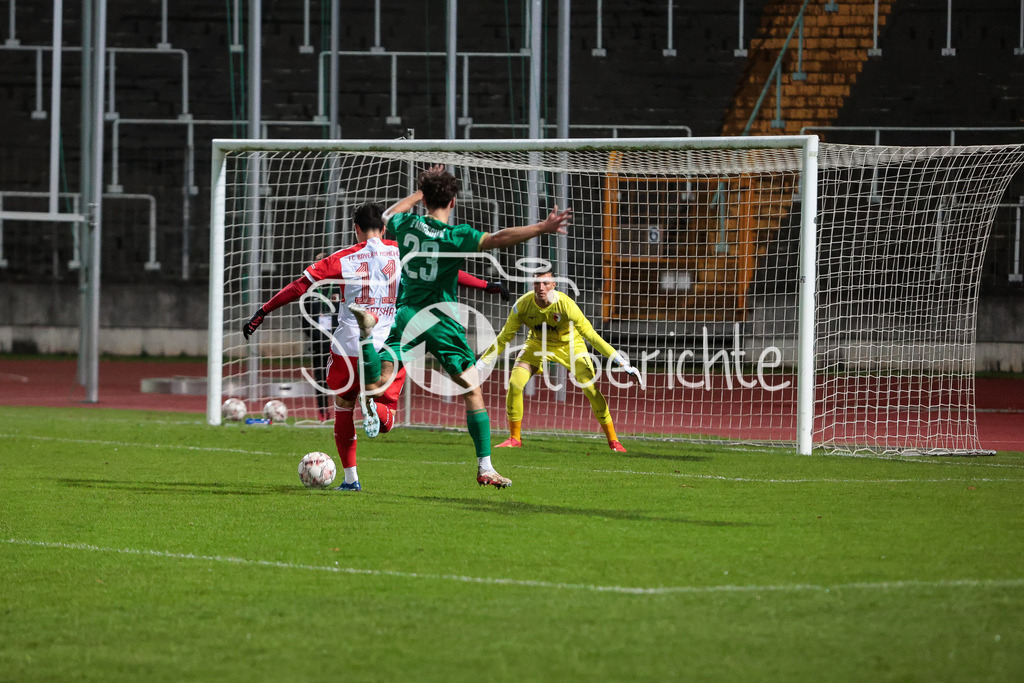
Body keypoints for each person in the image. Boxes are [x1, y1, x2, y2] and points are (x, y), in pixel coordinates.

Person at [241, 202, 511, 492]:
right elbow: (441, 273)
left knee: (343, 409)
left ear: (355, 228)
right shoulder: (401, 251)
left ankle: (351, 479)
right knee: (386, 420)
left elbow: (298, 287)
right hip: (389, 346)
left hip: (346, 347)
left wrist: (263, 311)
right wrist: (485, 285)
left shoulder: (341, 258)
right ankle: (373, 408)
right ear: (384, 228)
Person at [357, 165, 571, 489]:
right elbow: (499, 239)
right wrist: (542, 227)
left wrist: (419, 193)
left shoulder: (406, 224)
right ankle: (485, 467)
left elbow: (386, 215)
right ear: (454, 201)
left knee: (382, 379)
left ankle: (366, 348)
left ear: (425, 199)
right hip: (441, 318)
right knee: (471, 389)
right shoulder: (457, 237)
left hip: (408, 314)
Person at [479, 269, 641, 453]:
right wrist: (480, 364)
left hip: (571, 345)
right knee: (515, 383)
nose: (541, 288)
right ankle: (515, 438)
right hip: (537, 344)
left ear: (554, 284)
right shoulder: (522, 306)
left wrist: (622, 362)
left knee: (589, 388)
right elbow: (503, 337)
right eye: (537, 283)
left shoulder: (566, 305)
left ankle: (614, 441)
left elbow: (593, 338)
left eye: (546, 283)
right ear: (532, 285)